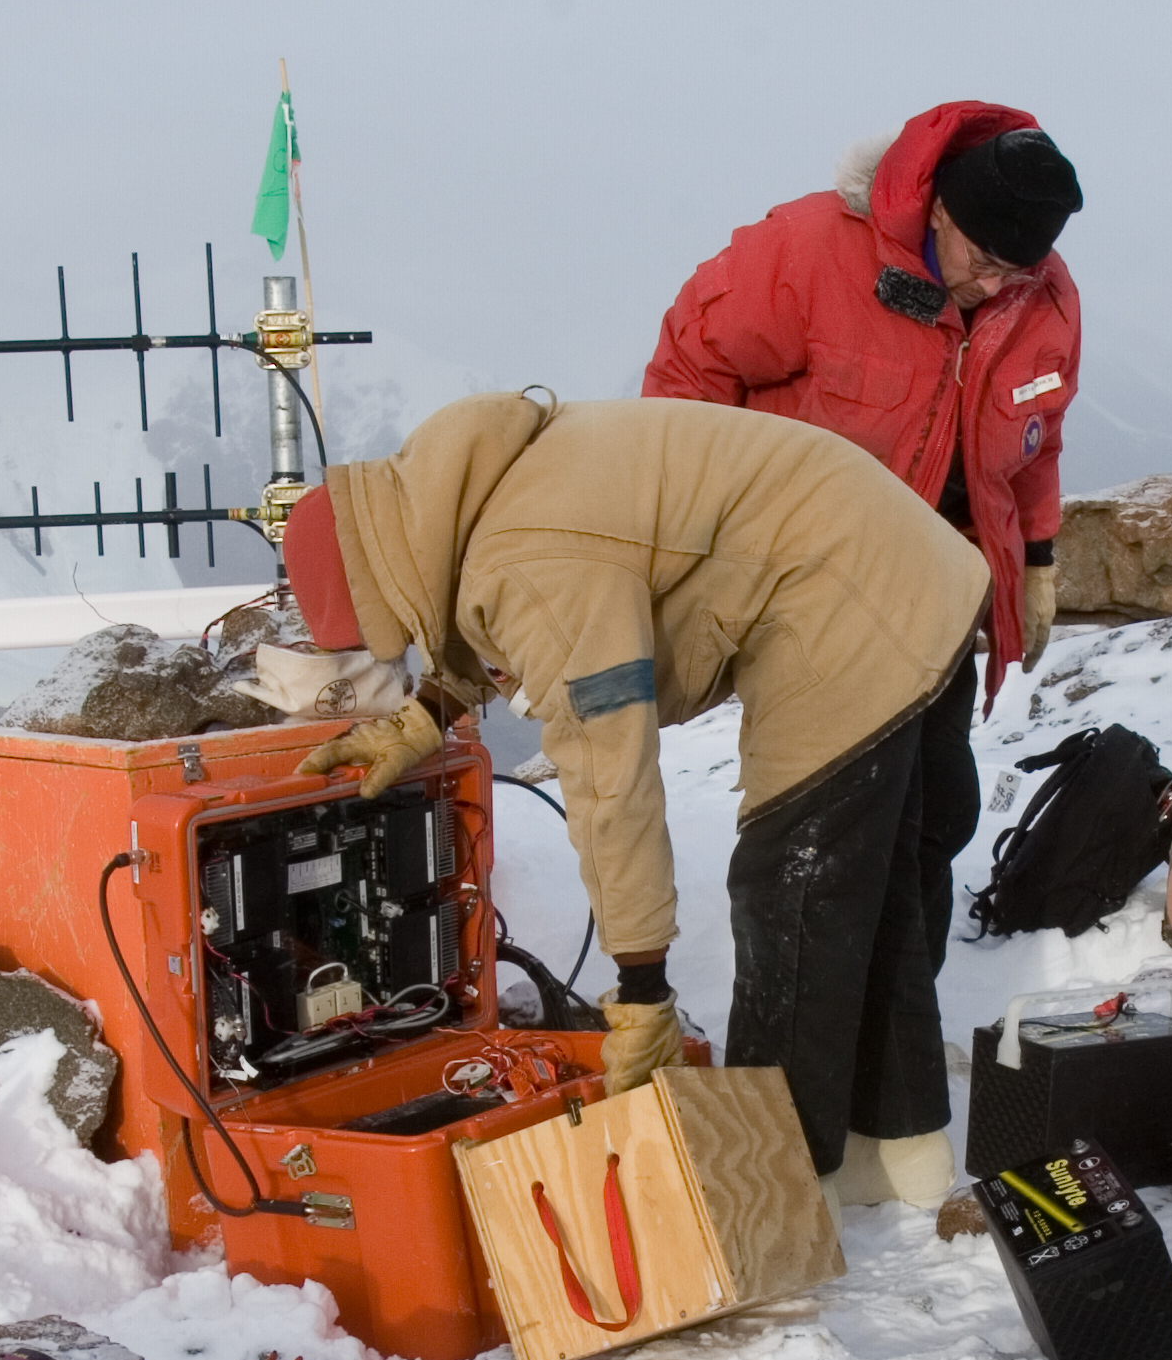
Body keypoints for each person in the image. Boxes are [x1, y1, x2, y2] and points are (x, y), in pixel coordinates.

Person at [278, 393, 985, 1198]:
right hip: (915, 567)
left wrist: (641, 987)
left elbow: (610, 774)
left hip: (845, 593)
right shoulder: (474, 492)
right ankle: (899, 1152)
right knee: (869, 880)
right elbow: (495, 607)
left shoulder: (530, 560)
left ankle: (773, 1191)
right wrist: (425, 716)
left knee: (793, 887)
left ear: (381, 577)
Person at [637, 101, 1082, 1206]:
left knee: (923, 835)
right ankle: (784, 1160)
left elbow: (1032, 437)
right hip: (816, 595)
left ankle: (885, 1120)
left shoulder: (1039, 294)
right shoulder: (805, 253)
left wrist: (1035, 554)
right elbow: (685, 379)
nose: (987, 289)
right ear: (934, 206)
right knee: (816, 865)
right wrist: (710, 546)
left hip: (940, 593)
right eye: (977, 261)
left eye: (1013, 273)